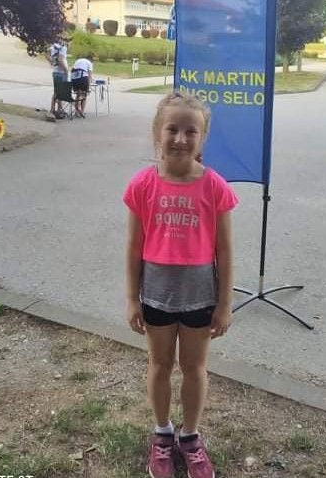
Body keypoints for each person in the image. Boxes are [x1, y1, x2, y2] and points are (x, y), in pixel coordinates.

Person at [123, 92, 238, 478]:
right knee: (159, 365)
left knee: (194, 367)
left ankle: (190, 437)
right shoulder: (142, 185)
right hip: (156, 294)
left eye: (191, 131)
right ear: (158, 132)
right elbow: (134, 247)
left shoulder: (214, 186)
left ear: (202, 138)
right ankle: (162, 434)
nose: (181, 138)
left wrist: (224, 304)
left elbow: (225, 250)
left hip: (199, 296)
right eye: (172, 129)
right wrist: (132, 298)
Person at [47, 39, 69, 116]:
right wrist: (66, 70)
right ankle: (58, 110)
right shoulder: (63, 47)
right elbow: (60, 59)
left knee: (57, 92)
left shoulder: (54, 46)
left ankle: (54, 109)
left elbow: (46, 54)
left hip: (55, 72)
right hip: (61, 72)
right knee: (60, 92)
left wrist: (52, 62)